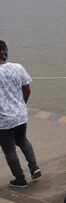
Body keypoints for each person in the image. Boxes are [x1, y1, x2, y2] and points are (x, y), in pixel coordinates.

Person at [0, 40, 41, 188]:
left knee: (9, 149)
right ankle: (34, 167)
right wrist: (21, 105)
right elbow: (27, 89)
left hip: (3, 121)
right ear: (4, 52)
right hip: (20, 115)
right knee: (22, 140)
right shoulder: (18, 68)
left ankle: (20, 179)